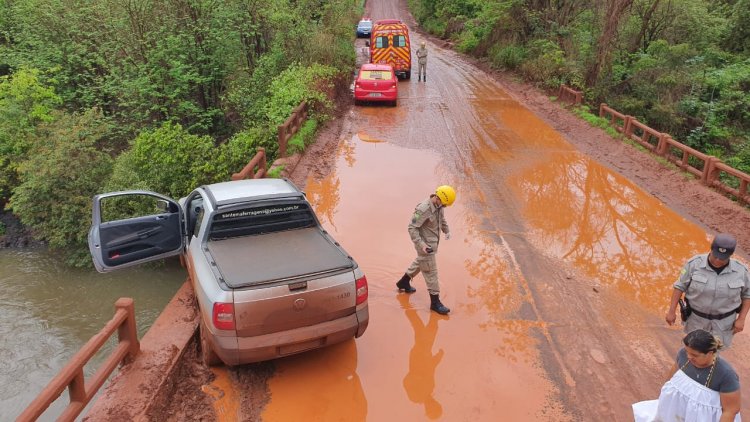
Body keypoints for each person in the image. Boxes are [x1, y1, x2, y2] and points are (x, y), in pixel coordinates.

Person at [632, 329, 741, 422]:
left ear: (710, 353)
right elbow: (672, 376)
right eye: (687, 351)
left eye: (694, 355)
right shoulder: (683, 355)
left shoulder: (726, 374)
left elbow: (731, 410)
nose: (688, 357)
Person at [665, 233, 750, 347]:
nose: (718, 260)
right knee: (692, 350)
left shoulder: (741, 271)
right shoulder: (694, 264)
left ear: (730, 255)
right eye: (715, 256)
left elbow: (747, 295)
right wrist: (671, 311)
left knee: (714, 354)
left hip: (723, 324)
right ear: (711, 249)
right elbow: (679, 287)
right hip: (696, 321)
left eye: (723, 258)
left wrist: (741, 319)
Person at [396, 185, 455, 315]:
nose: (444, 207)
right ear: (438, 198)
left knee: (420, 263)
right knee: (431, 272)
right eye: (444, 204)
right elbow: (412, 228)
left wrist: (447, 231)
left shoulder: (439, 206)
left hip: (432, 245)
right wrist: (422, 245)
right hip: (425, 247)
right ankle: (435, 303)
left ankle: (403, 282)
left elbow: (442, 220)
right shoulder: (423, 209)